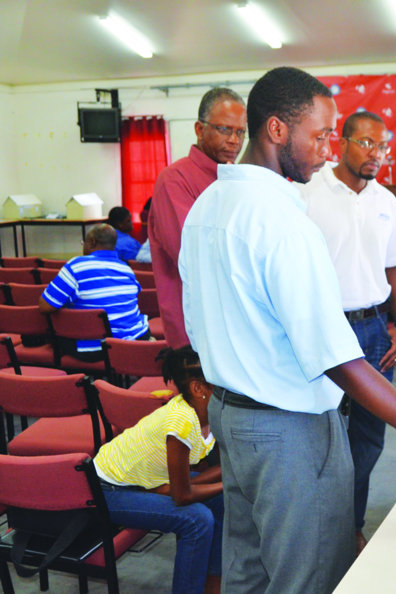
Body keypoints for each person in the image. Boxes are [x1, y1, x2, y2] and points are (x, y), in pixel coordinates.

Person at [179, 66, 396, 594]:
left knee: (246, 570)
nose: (327, 148)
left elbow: (196, 323)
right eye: (320, 134)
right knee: (306, 573)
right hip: (289, 431)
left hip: (230, 417)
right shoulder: (283, 222)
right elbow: (339, 360)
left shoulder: (206, 207)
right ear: (277, 130)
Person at [299, 111, 396, 554]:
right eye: (366, 143)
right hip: (325, 327)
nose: (375, 154)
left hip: (374, 328)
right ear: (342, 142)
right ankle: (322, 528)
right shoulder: (308, 191)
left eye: (382, 147)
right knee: (321, 433)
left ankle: (349, 521)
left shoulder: (386, 201)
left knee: (369, 434)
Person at [93, 346, 223, 594]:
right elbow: (182, 495)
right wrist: (233, 481)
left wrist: (231, 478)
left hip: (149, 482)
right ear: (199, 389)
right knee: (197, 519)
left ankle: (212, 586)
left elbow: (187, 484)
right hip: (108, 489)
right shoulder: (183, 422)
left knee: (221, 499)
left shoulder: (208, 413)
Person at [149, 87, 246, 348]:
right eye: (225, 129)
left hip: (234, 325)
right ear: (199, 129)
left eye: (240, 132)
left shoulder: (236, 179)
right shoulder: (175, 179)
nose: (234, 140)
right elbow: (192, 255)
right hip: (195, 330)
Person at [38, 223, 150, 362]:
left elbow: (45, 306)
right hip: (134, 340)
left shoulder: (77, 265)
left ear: (92, 242)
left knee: (51, 331)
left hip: (96, 349)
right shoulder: (127, 269)